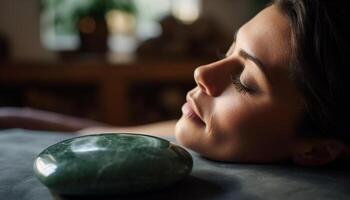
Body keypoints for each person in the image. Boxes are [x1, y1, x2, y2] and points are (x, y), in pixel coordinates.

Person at [1, 0, 349, 166]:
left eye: (244, 81)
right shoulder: (207, 128)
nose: (203, 72)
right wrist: (13, 116)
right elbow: (95, 130)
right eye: (229, 50)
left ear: (315, 149)